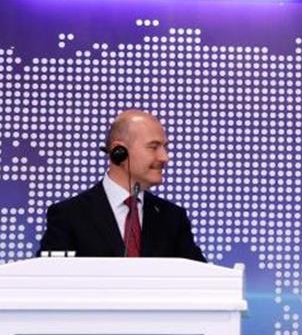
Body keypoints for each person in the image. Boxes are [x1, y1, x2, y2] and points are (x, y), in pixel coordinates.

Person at [37, 110, 207, 261]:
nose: (164, 157)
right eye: (153, 147)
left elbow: (203, 280)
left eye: (165, 147)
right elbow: (50, 281)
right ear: (119, 152)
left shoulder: (172, 218)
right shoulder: (69, 215)